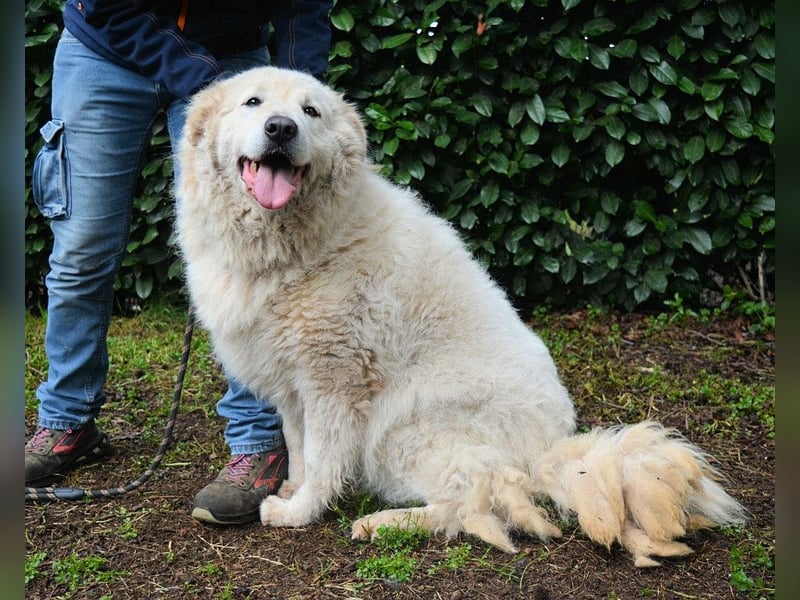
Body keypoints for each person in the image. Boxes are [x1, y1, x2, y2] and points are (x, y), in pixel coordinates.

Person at [25, 0, 333, 525]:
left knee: (258, 253)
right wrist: (206, 86)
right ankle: (67, 420)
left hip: (236, 58)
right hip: (104, 52)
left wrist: (290, 97)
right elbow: (108, 8)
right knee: (82, 251)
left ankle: (258, 442)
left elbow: (303, 7)